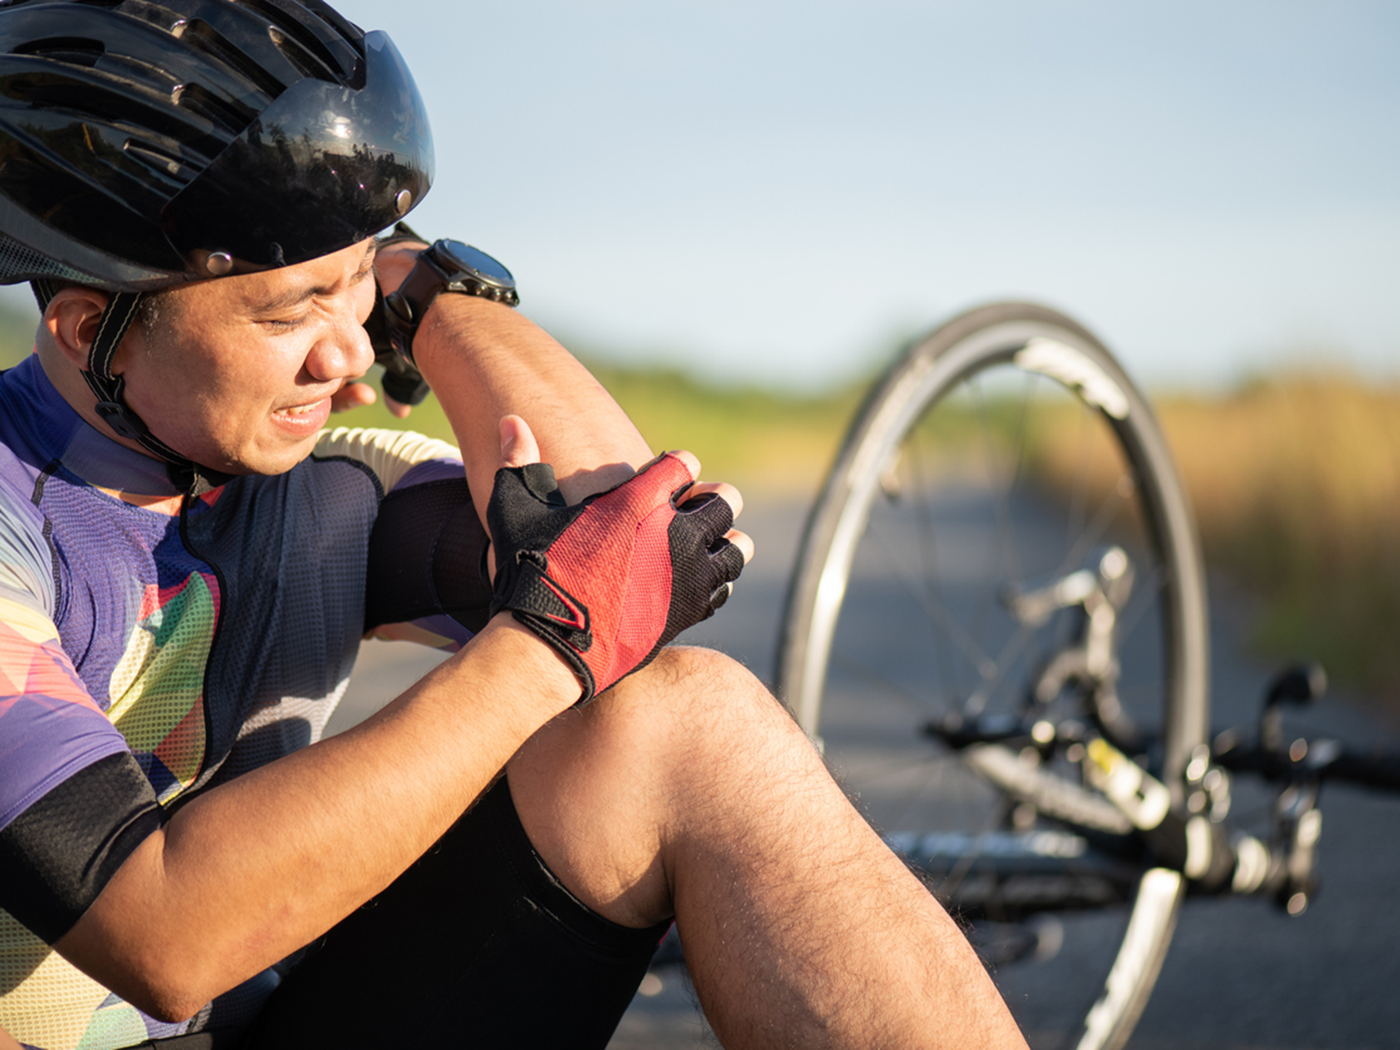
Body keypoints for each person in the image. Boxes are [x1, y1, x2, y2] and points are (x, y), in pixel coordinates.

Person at [0, 1, 1029, 1048]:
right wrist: (541, 646)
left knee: (685, 722)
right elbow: (164, 936)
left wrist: (431, 292)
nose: (347, 360)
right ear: (92, 331)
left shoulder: (311, 477)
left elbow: (627, 533)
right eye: (285, 315)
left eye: (358, 289)